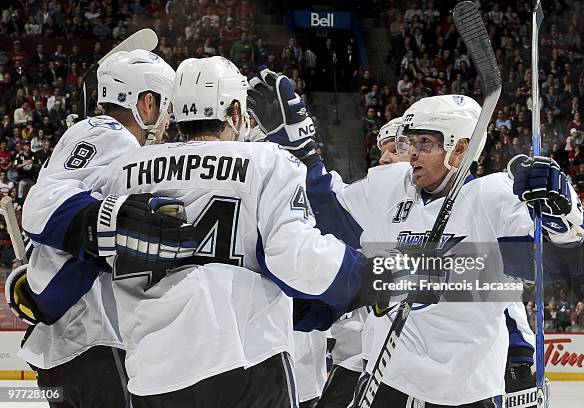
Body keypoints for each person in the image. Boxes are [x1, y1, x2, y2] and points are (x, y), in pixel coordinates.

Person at [92, 57, 405, 408]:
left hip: (152, 369)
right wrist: (373, 277)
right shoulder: (266, 160)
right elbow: (296, 258)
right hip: (243, 361)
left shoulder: (123, 170)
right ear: (236, 110)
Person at [256, 87, 584, 406]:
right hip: (386, 381)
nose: (413, 152)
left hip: (465, 392)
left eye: (426, 143)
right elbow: (327, 212)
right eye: (411, 141)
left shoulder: (491, 198)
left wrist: (564, 217)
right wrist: (301, 148)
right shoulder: (392, 186)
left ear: (461, 148)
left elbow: (559, 269)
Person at [13, 50, 192, 408]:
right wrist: (106, 223)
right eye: (166, 105)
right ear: (147, 102)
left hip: (70, 349)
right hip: (95, 341)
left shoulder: (104, 140)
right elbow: (42, 206)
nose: (169, 118)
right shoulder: (110, 134)